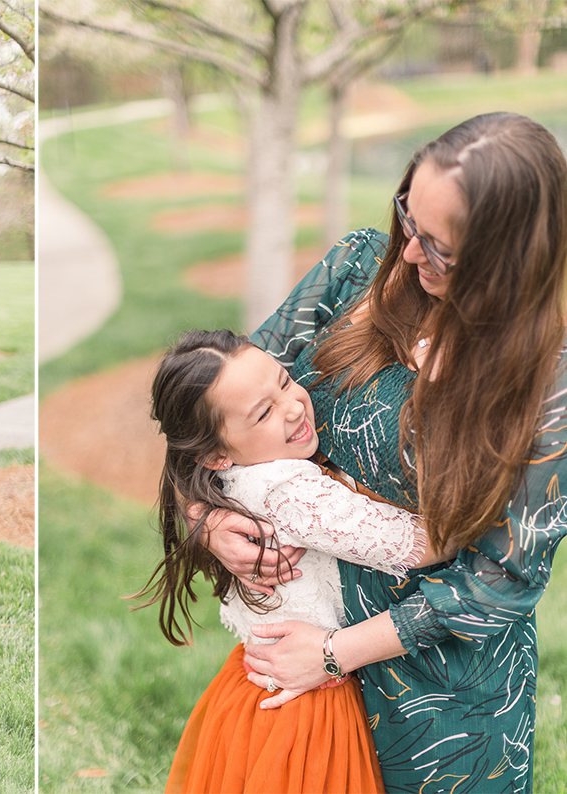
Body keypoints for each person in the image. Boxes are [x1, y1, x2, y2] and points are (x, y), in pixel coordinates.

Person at [204, 112, 567, 792]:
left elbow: (502, 577)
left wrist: (335, 655)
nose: (406, 254)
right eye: (409, 219)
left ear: (507, 264)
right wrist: (209, 522)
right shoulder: (353, 271)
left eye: (438, 248)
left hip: (445, 705)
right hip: (302, 664)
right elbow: (215, 409)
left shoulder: (552, 384)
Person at [142, 329, 456, 793]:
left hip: (251, 689)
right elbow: (426, 544)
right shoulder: (291, 491)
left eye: (285, 381)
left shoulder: (233, 480)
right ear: (216, 455)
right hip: (306, 709)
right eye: (264, 412)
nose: (292, 407)